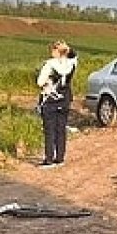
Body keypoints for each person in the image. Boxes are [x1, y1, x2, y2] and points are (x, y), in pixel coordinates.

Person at [36, 40, 77, 168]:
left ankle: (48, 159)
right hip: (65, 99)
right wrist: (67, 49)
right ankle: (60, 158)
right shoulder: (72, 63)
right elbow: (74, 55)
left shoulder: (49, 65)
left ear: (55, 51)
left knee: (49, 130)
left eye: (52, 49)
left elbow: (40, 82)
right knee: (61, 129)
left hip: (50, 100)